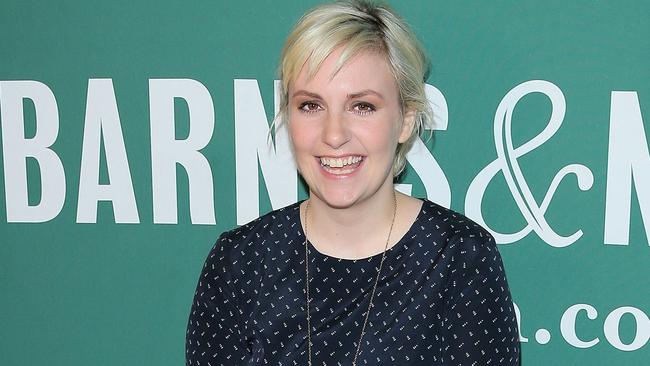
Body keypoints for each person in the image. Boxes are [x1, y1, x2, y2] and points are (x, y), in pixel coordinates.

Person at [186, 1, 521, 365]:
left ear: (406, 120)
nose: (334, 135)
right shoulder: (241, 261)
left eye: (362, 106)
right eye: (311, 105)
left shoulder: (458, 259)